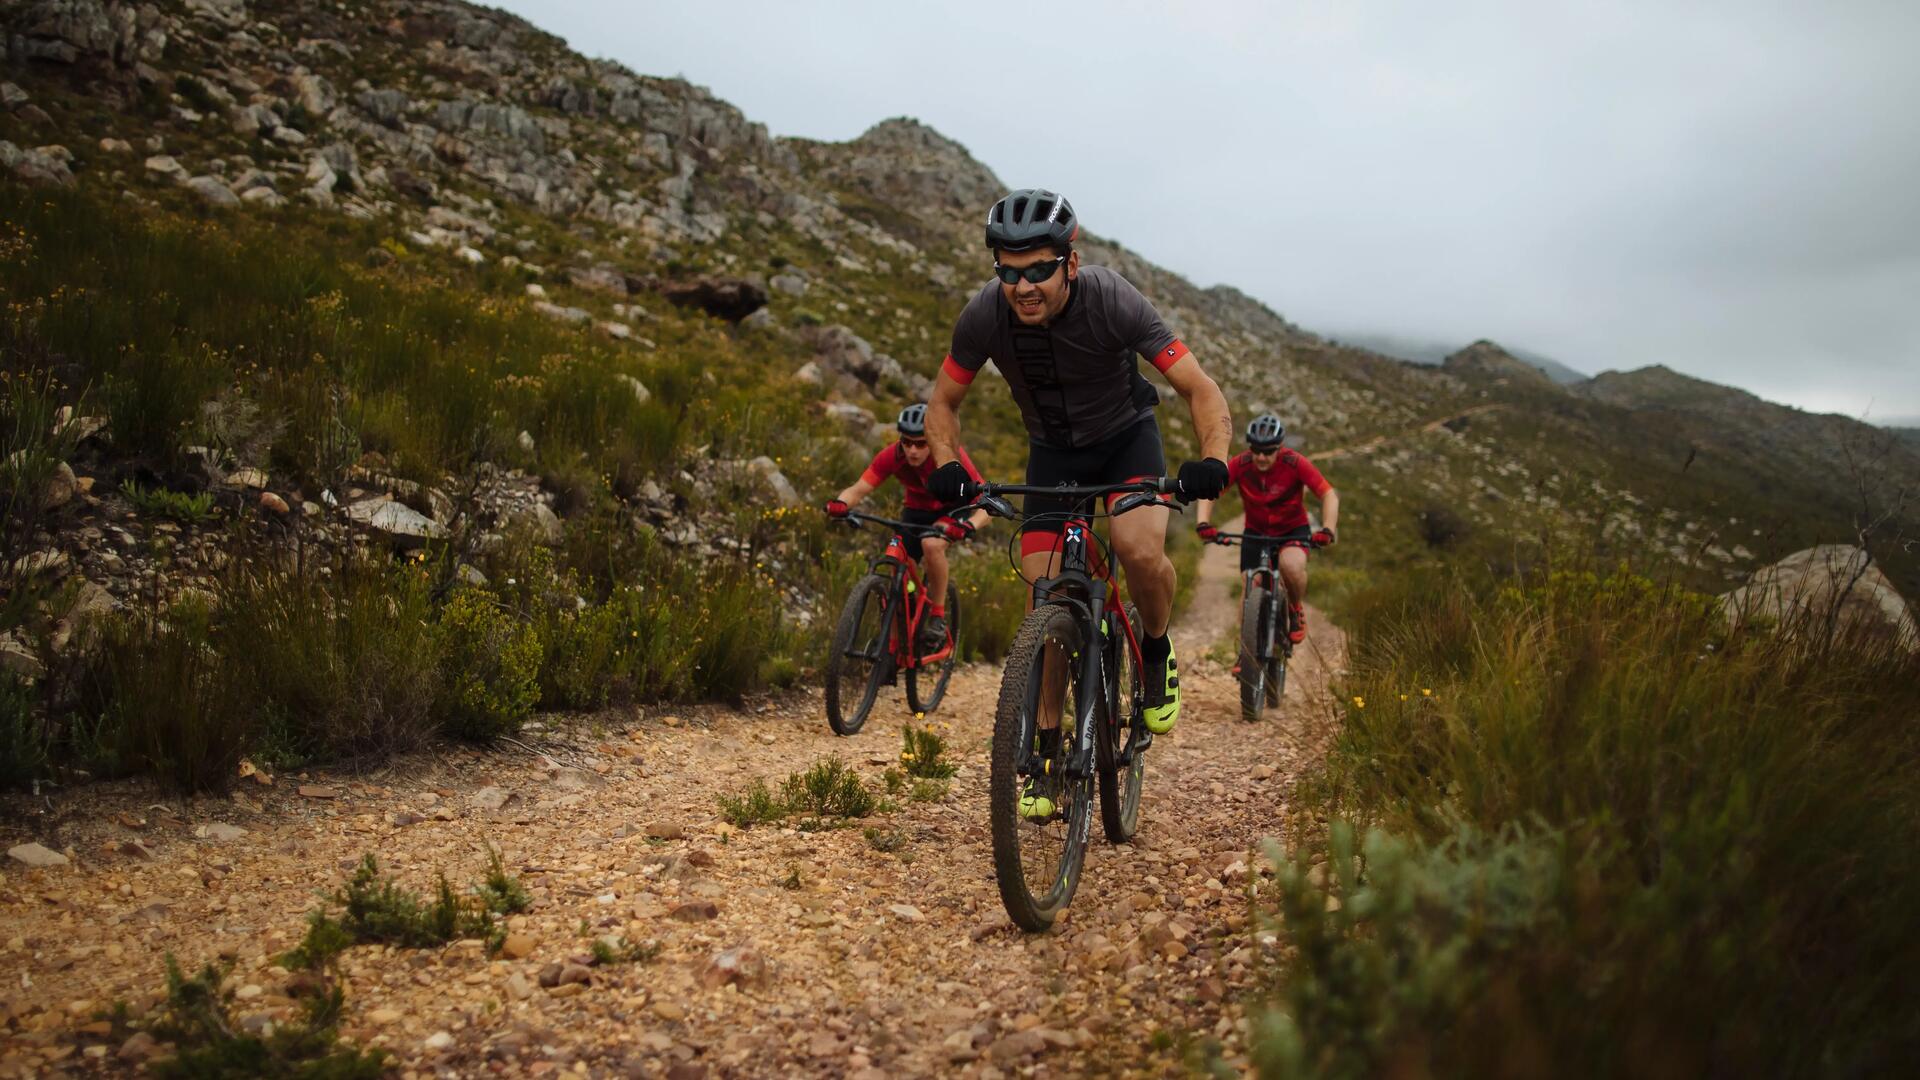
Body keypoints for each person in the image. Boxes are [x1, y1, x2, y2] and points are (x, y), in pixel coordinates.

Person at [924, 187, 1233, 765]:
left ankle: (1157, 647)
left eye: (1039, 269)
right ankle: (1045, 743)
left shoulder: (1112, 299)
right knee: (1044, 594)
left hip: (1126, 441)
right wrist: (945, 465)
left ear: (1070, 262)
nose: (1024, 287)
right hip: (1054, 454)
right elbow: (943, 403)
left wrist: (1212, 457)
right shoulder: (985, 315)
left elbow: (1199, 386)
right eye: (1009, 273)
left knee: (1136, 550)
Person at [826, 404, 988, 652]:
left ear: (932, 440)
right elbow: (859, 488)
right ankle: (890, 650)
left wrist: (968, 526)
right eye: (906, 442)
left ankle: (937, 614)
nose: (912, 450)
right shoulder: (892, 456)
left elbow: (987, 505)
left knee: (931, 545)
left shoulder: (951, 457)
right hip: (916, 511)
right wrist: (840, 503)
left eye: (921, 443)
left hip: (951, 510)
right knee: (896, 563)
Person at [1194, 414, 1339, 644]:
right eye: (1256, 449)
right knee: (1249, 589)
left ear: (1279, 447)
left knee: (1290, 566)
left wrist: (1328, 529)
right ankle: (1247, 653)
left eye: (1268, 451)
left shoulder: (1294, 462)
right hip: (1256, 531)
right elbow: (1211, 493)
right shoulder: (1241, 464)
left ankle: (1294, 608)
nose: (1261, 456)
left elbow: (1328, 494)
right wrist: (1203, 522)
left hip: (1292, 530)